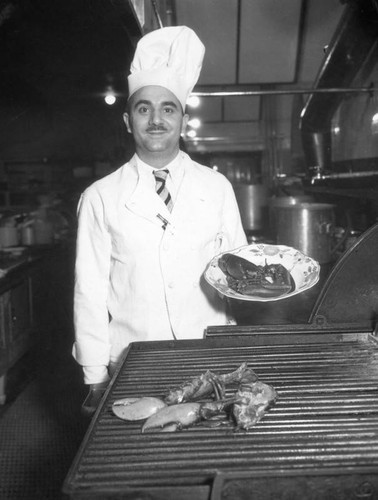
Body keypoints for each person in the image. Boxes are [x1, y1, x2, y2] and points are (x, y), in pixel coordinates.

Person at [73, 26, 247, 406]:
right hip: (133, 362)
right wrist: (94, 376)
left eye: (168, 108)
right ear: (127, 121)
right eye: (143, 108)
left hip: (208, 355)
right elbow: (89, 292)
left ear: (182, 120)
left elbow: (240, 272)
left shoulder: (217, 187)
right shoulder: (99, 197)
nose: (156, 119)